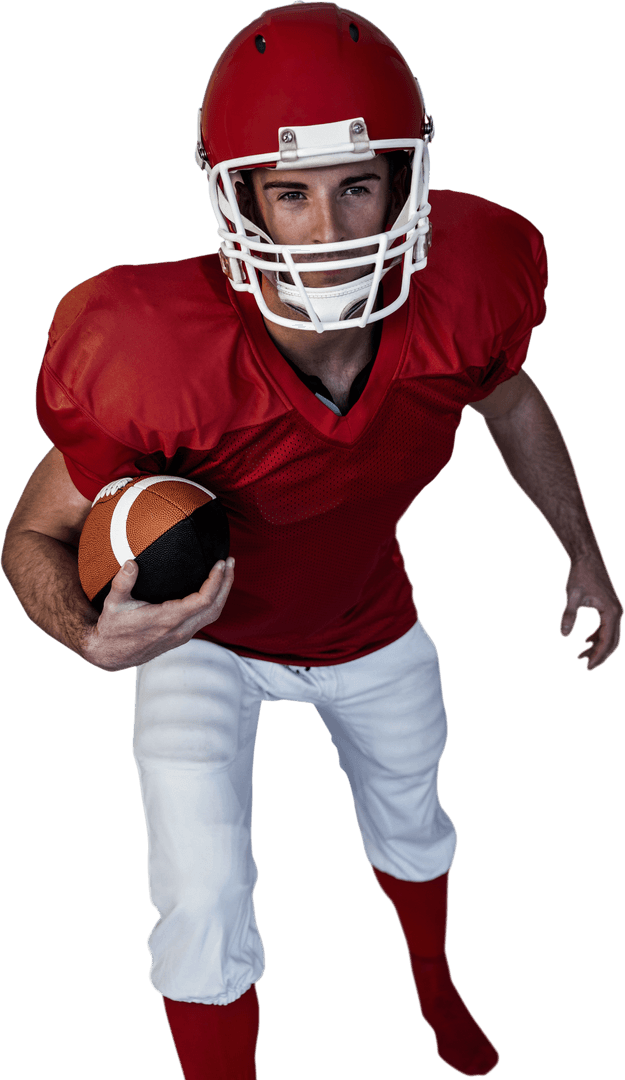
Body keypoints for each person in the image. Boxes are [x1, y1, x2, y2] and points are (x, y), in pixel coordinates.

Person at [2, 4, 622, 1078]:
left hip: (364, 619)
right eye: (290, 194)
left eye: (356, 187)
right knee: (199, 900)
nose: (330, 229)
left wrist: (582, 546)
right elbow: (33, 530)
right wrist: (88, 636)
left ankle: (432, 985)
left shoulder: (468, 287)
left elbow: (510, 402)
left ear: (403, 182)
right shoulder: (151, 352)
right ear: (239, 197)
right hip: (203, 641)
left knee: (417, 823)